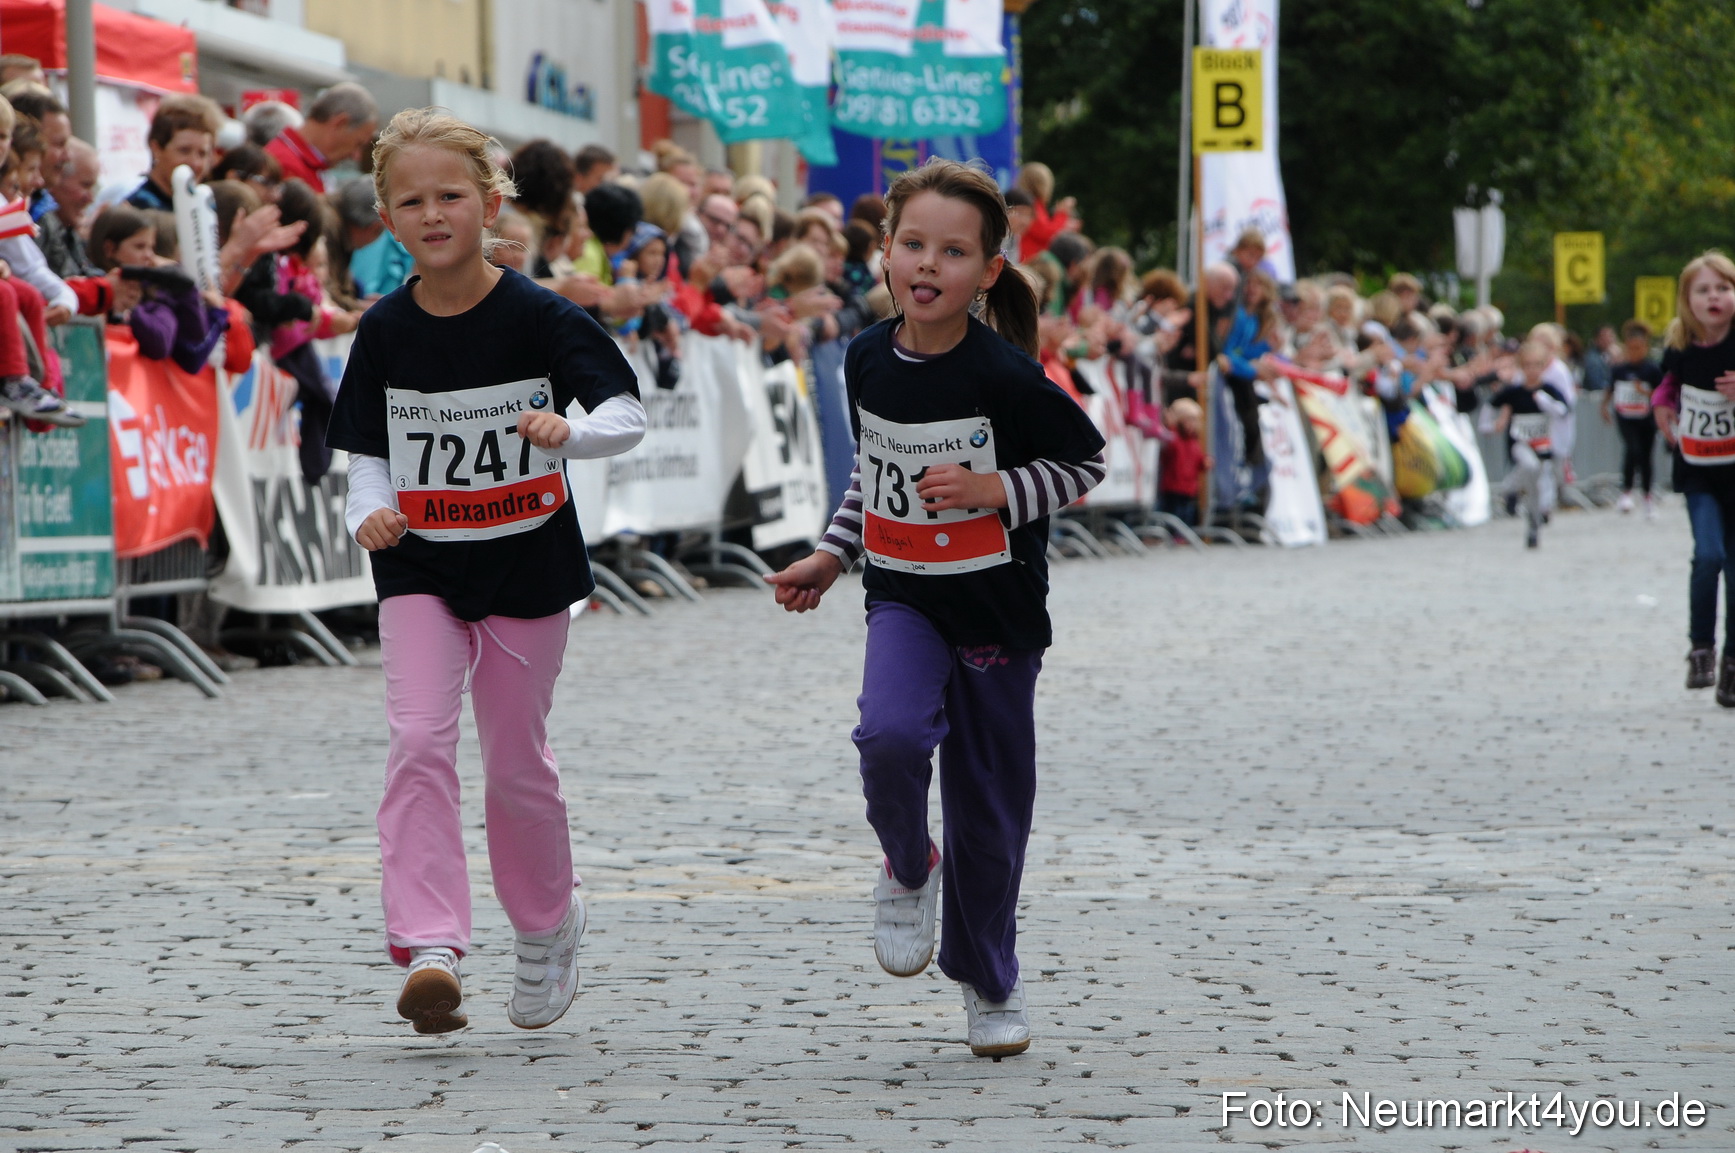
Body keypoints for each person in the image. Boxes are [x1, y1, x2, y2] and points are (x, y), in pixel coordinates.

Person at [764, 158, 1107, 1060]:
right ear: (883, 252)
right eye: (911, 244)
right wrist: (833, 554)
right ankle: (908, 864)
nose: (928, 265)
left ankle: (990, 978)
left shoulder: (1005, 374)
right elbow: (871, 476)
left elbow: (1083, 465)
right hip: (906, 595)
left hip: (996, 611)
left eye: (952, 252)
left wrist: (993, 487)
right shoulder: (865, 356)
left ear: (988, 271)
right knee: (887, 737)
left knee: (989, 813)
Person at [327, 108, 647, 1035]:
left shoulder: (542, 315)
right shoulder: (385, 329)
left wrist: (570, 432)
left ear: (490, 203)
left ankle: (548, 926)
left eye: (451, 196)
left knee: (514, 762)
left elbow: (625, 413)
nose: (433, 215)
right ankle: (430, 944)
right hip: (420, 563)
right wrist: (366, 511)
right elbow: (365, 452)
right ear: (387, 220)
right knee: (419, 740)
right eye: (411, 202)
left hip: (528, 563)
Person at [1651, 251, 1735, 702]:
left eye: (1723, 288)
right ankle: (1701, 646)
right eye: (1703, 290)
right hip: (1700, 469)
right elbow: (1668, 383)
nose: (1714, 297)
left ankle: (1733, 664)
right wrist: (1662, 405)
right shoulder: (1681, 346)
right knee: (1708, 555)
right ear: (1688, 300)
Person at [1492, 339, 1571, 549]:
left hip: (1543, 445)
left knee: (1535, 486)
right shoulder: (1515, 391)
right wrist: (1495, 422)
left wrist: (1548, 404)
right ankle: (1509, 489)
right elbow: (1496, 405)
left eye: (1536, 364)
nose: (1531, 369)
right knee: (1529, 466)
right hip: (1520, 443)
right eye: (1527, 365)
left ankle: (1534, 526)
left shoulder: (1549, 389)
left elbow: (1565, 411)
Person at [264, 82, 378, 195]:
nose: (356, 156)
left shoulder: (307, 165)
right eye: (358, 144)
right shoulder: (286, 166)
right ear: (340, 123)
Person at [1600, 319, 1661, 518]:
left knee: (1646, 456)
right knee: (1632, 450)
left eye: (1639, 348)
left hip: (1646, 418)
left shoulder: (1652, 370)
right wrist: (1604, 407)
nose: (1635, 352)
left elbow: (1661, 394)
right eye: (1631, 348)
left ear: (1645, 348)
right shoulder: (1620, 369)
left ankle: (1647, 496)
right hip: (1626, 416)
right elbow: (1610, 390)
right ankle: (1626, 492)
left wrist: (1644, 391)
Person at [122, 95, 222, 211]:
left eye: (202, 154)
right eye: (184, 150)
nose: (195, 163)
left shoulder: (205, 207)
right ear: (156, 149)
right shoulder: (138, 208)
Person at [1155, 397, 1208, 525]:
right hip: (1173, 487)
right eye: (1188, 420)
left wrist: (1205, 462)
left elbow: (1198, 459)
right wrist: (1170, 425)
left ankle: (1181, 537)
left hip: (1189, 487)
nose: (1192, 424)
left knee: (1186, 515)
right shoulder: (1174, 437)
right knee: (1172, 515)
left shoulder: (1194, 442)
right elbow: (1169, 449)